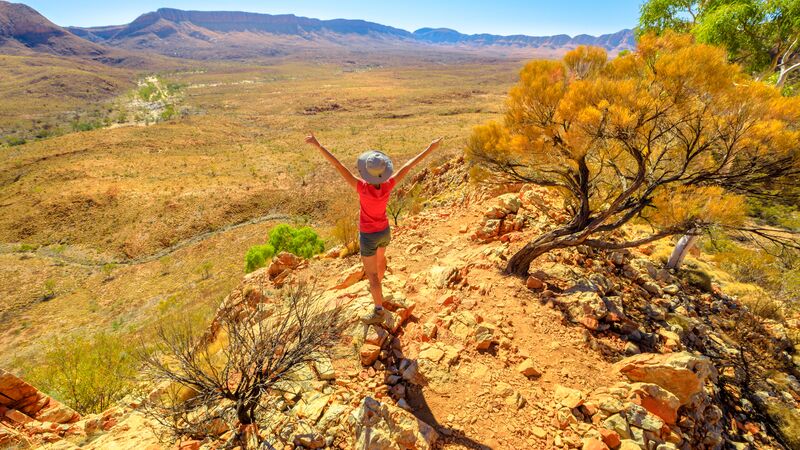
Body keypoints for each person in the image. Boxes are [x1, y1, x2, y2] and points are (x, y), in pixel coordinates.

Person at [305, 132, 442, 324]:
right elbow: (409, 166)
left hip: (369, 235)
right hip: (384, 232)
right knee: (380, 262)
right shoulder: (388, 185)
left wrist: (318, 145)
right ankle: (378, 291)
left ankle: (378, 310)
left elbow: (338, 165)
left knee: (372, 276)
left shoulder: (361, 187)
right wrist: (430, 148)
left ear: (366, 172)